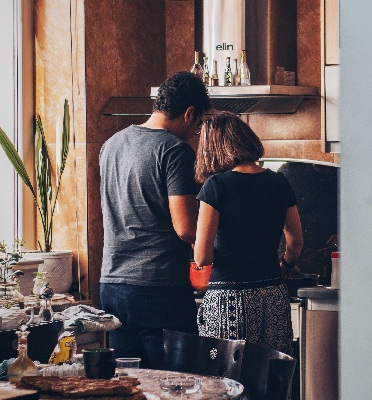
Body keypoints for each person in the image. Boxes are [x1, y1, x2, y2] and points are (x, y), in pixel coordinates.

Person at [99, 71, 209, 368]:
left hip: (112, 284)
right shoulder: (174, 150)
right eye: (198, 124)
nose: (195, 132)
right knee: (178, 385)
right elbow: (186, 228)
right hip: (157, 288)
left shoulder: (111, 145)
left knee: (132, 385)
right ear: (189, 114)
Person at [194, 111, 303, 355]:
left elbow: (202, 257)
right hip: (273, 294)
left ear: (213, 148)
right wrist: (286, 265)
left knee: (227, 381)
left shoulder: (216, 185)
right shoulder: (279, 182)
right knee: (271, 376)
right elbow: (295, 241)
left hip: (229, 298)